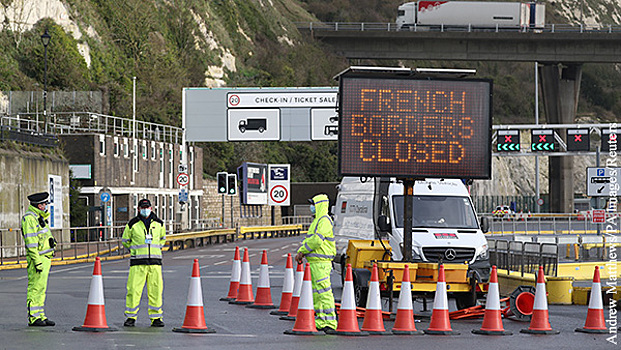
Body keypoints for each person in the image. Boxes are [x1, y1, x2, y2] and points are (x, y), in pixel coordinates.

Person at [295, 194, 337, 333]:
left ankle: (329, 322)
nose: (311, 206)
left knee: (323, 292)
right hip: (315, 263)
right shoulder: (317, 221)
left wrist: (301, 251)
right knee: (317, 293)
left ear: (319, 205)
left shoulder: (324, 220)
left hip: (321, 262)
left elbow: (317, 241)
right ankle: (321, 320)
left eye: (313, 204)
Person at [122, 198, 166, 327]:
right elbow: (125, 240)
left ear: (151, 208)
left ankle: (156, 317)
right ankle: (131, 317)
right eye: (143, 208)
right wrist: (135, 251)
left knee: (156, 290)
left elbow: (162, 239)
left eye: (147, 207)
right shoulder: (132, 224)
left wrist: (155, 249)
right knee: (133, 290)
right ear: (139, 209)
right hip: (138, 263)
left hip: (155, 263)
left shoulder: (159, 223)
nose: (145, 210)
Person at [22, 192, 56, 327]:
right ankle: (33, 317)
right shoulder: (29, 219)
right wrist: (37, 261)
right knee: (35, 288)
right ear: (38, 205)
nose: (45, 206)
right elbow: (31, 243)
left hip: (45, 257)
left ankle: (40, 315)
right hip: (38, 258)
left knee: (41, 288)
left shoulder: (39, 217)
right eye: (44, 204)